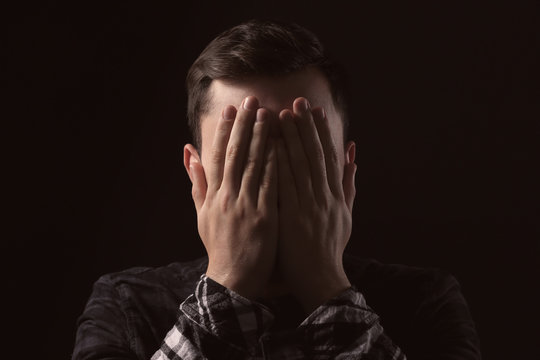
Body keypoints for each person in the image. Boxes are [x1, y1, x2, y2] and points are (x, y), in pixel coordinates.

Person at [72, 19, 481, 359]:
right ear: (196, 173)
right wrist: (227, 287)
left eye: (305, 146)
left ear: (345, 169)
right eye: (242, 150)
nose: (275, 175)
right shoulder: (128, 306)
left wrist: (327, 288)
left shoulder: (426, 303)